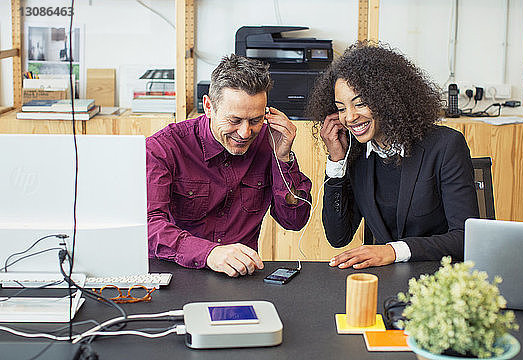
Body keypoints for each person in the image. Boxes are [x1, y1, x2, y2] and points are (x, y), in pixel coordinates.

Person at [305, 42, 478, 270]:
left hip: (438, 280)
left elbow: (464, 237)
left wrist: (393, 250)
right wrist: (336, 163)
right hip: (386, 280)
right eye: (341, 108)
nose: (350, 117)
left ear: (388, 99)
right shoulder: (356, 154)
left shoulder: (445, 146)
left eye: (361, 104)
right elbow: (339, 237)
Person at [146, 54, 312, 277]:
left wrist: (283, 158)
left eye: (255, 120)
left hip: (241, 278)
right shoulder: (164, 148)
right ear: (208, 107)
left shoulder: (269, 141)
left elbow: (294, 220)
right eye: (234, 121)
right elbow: (148, 226)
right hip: (176, 274)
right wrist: (209, 253)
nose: (245, 133)